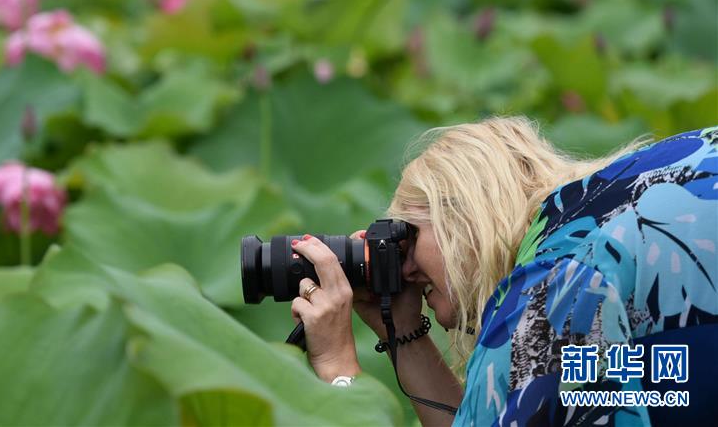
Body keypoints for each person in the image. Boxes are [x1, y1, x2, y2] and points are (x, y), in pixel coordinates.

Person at [290, 117, 717, 426]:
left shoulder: (552, 284)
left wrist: (338, 369)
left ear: (465, 217)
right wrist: (403, 332)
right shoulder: (659, 176)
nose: (406, 268)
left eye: (408, 237)